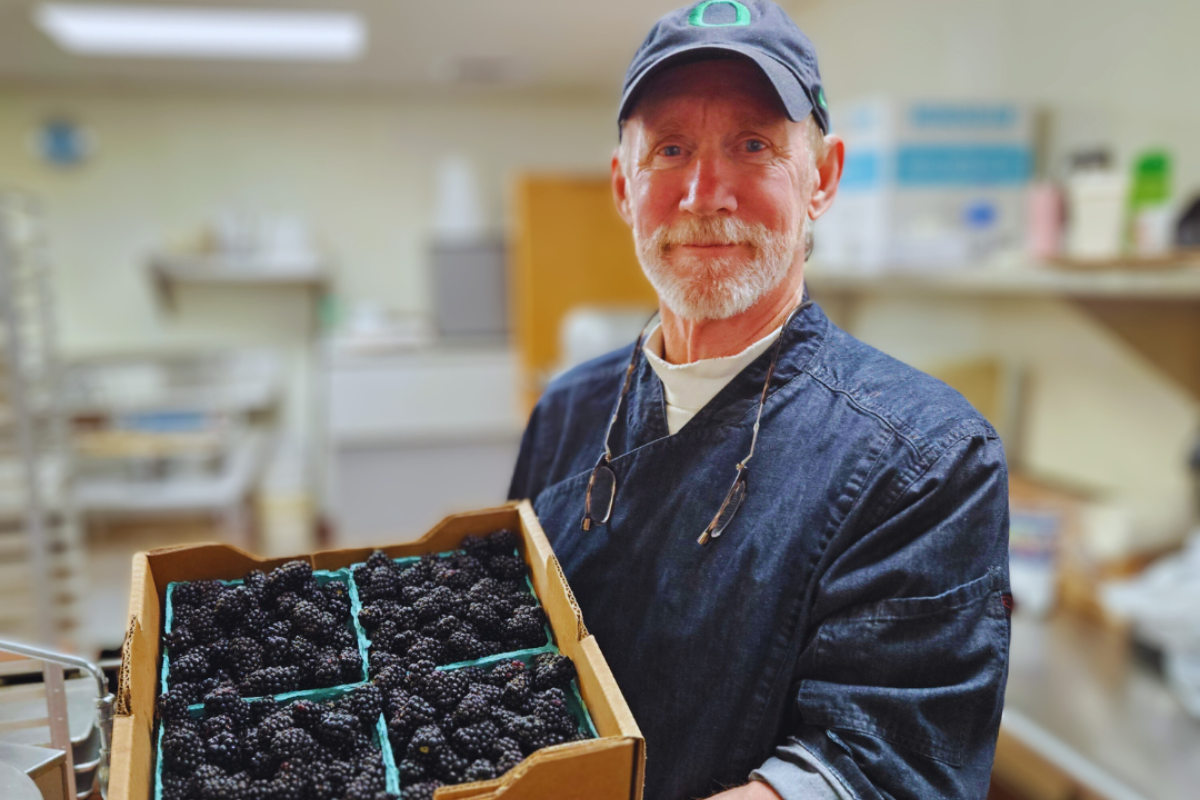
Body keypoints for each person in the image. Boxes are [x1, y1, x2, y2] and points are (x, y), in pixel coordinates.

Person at [508, 2, 1011, 799]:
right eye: (670, 149)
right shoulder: (566, 410)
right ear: (621, 186)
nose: (706, 193)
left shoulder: (928, 459)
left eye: (753, 145)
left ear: (824, 177)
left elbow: (880, 770)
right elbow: (510, 653)